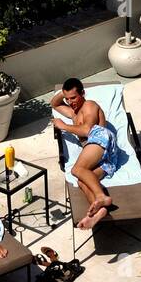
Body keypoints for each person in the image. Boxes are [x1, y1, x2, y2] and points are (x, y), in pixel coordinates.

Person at [50, 78, 119, 230]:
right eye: (67, 99)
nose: (70, 102)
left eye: (73, 97)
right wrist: (64, 92)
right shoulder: (73, 113)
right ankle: (99, 211)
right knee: (83, 180)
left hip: (101, 139)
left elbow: (88, 130)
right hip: (104, 157)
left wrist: (64, 126)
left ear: (83, 93)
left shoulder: (89, 105)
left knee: (76, 170)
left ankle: (102, 197)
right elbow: (54, 104)